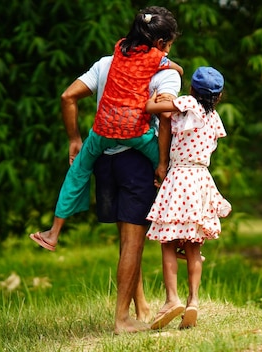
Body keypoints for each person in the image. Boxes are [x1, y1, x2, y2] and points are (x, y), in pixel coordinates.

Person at [29, 6, 182, 251]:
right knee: (176, 175)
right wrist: (162, 164)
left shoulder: (114, 56)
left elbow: (67, 96)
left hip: (102, 136)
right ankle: (183, 239)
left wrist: (74, 139)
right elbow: (165, 112)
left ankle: (53, 232)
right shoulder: (160, 63)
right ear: (161, 42)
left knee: (77, 171)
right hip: (137, 136)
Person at [145, 67, 232, 330]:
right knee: (194, 245)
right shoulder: (214, 117)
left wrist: (159, 96)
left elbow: (151, 107)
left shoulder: (185, 103)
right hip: (202, 180)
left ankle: (172, 299)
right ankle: (193, 301)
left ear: (192, 89)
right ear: (217, 97)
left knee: (169, 242)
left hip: (179, 177)